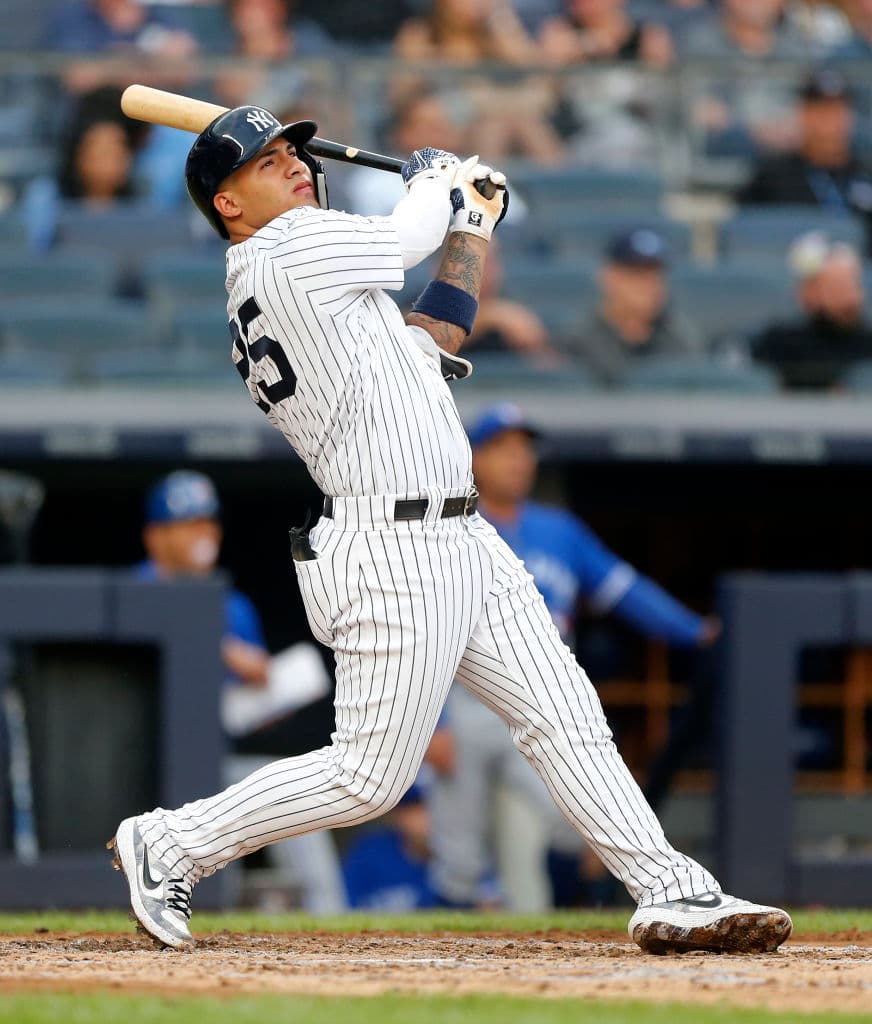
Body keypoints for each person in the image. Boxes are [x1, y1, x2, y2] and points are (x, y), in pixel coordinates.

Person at [108, 100, 792, 956]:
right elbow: (400, 242)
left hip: (461, 538)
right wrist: (439, 178)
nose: (290, 161)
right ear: (228, 206)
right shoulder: (279, 248)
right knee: (368, 776)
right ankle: (171, 842)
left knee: (563, 711)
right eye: (261, 161)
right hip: (389, 546)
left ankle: (670, 887)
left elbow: (433, 334)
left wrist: (470, 224)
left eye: (289, 148)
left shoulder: (323, 282)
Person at [428, 403, 720, 911]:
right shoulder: (447, 526)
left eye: (525, 449)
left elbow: (624, 590)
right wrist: (434, 721)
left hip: (543, 696)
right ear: (471, 457)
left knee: (577, 826)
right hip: (464, 700)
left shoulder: (558, 531)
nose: (519, 461)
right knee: (459, 859)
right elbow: (423, 629)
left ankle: (562, 921)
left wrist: (695, 631)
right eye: (502, 448)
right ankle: (441, 965)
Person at [135, 470, 346, 914]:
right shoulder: (136, 590)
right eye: (188, 523)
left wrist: (268, 696)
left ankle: (332, 917)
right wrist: (219, 648)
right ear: (156, 537)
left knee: (300, 792)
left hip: (217, 754)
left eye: (208, 522)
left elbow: (241, 702)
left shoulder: (232, 605)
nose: (203, 534)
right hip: (143, 759)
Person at [737, 68, 872, 253]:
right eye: (819, 111)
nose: (828, 122)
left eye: (836, 111)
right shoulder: (772, 178)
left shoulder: (865, 175)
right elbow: (747, 239)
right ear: (803, 114)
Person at [563, 228, 704, 387]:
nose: (647, 284)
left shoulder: (679, 337)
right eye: (636, 273)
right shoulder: (578, 339)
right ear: (608, 276)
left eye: (655, 274)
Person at [748, 230, 872, 390]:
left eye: (854, 287)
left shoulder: (868, 344)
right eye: (837, 289)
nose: (851, 299)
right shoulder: (778, 344)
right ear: (807, 294)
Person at [341, 784, 438, 910]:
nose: (420, 819)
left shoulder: (451, 855)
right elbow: (344, 902)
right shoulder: (370, 853)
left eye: (422, 808)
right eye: (410, 810)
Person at [539, 0, 674, 67]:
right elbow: (549, 75)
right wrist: (587, 45)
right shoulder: (559, 30)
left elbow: (662, 83)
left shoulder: (649, 35)